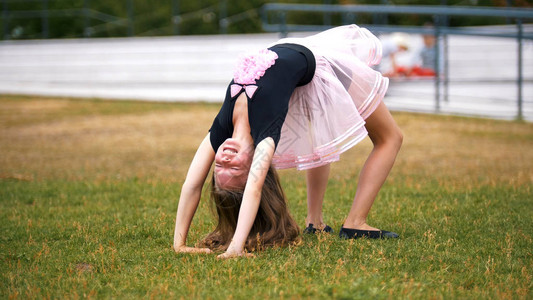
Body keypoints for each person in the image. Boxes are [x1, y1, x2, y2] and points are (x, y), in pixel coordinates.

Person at [173, 24, 403, 259]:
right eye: (234, 167)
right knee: (391, 137)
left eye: (219, 166)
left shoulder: (222, 130)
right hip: (323, 66)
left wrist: (179, 243)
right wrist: (236, 247)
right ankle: (355, 222)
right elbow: (254, 188)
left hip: (300, 55)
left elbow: (191, 184)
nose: (225, 158)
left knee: (318, 138)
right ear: (253, 164)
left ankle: (316, 221)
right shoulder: (265, 135)